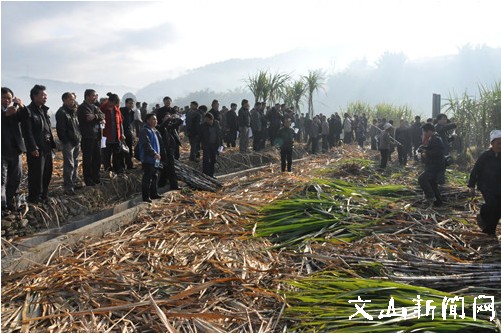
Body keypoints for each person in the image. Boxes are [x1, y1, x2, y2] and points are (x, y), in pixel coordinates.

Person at [19, 84, 56, 203]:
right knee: (36, 174)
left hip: (47, 147)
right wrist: (32, 147)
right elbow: (27, 132)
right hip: (36, 148)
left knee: (47, 172)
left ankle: (44, 195)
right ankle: (35, 197)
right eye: (43, 95)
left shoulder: (44, 110)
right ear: (34, 96)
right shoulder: (28, 111)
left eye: (46, 95)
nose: (45, 97)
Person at [467, 130, 501, 236]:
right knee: (494, 206)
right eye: (498, 143)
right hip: (486, 186)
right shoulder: (485, 156)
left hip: (499, 186)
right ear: (492, 143)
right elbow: (475, 170)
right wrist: (471, 186)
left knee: (498, 208)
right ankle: (489, 230)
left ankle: (489, 228)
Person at [1, 87, 26, 211]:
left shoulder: (14, 110)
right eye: (4, 98)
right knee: (2, 179)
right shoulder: (7, 112)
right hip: (2, 151)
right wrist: (6, 114)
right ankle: (2, 205)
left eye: (9, 98)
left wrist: (21, 105)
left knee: (16, 177)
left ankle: (11, 203)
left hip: (15, 150)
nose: (6, 100)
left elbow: (27, 116)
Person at [77, 89, 105, 186]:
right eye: (93, 95)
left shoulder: (95, 107)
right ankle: (88, 179)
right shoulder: (82, 108)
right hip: (87, 136)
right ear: (87, 96)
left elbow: (102, 115)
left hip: (97, 136)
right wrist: (98, 118)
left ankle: (96, 177)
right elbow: (87, 118)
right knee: (88, 159)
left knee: (97, 158)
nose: (95, 97)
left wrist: (96, 116)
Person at [56, 92, 82, 195]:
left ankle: (74, 182)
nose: (73, 101)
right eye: (71, 99)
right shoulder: (61, 112)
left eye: (74, 99)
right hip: (68, 143)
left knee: (75, 163)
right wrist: (66, 141)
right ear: (65, 100)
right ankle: (68, 186)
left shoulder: (74, 111)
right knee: (69, 164)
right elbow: (60, 130)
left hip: (76, 141)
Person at [418, 123, 445, 206]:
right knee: (432, 183)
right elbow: (432, 148)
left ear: (429, 131)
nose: (424, 134)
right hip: (435, 165)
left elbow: (438, 152)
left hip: (435, 166)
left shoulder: (436, 139)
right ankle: (438, 202)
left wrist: (426, 153)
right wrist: (422, 148)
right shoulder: (433, 138)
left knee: (422, 179)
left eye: (424, 132)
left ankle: (430, 197)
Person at [155, 104, 182, 190]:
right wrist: (168, 119)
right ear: (162, 119)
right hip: (164, 151)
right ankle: (174, 186)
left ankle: (161, 184)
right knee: (171, 168)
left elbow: (178, 123)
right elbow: (163, 125)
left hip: (170, 150)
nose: (169, 118)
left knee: (166, 168)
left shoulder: (170, 127)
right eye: (166, 117)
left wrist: (178, 118)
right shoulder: (160, 127)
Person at [139, 113, 164, 203]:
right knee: (147, 178)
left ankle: (154, 193)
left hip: (156, 158)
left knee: (155, 176)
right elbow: (147, 145)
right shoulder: (145, 131)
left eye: (156, 119)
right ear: (148, 120)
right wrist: (153, 154)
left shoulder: (154, 130)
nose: (155, 121)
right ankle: (146, 197)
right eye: (153, 119)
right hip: (149, 158)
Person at [102, 93, 125, 174]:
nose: (115, 105)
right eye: (114, 103)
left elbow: (120, 122)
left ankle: (117, 168)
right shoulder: (102, 109)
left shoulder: (116, 109)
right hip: (105, 136)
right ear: (110, 101)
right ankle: (108, 169)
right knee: (106, 154)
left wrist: (122, 133)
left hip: (116, 136)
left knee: (117, 154)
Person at [200, 112, 223, 178]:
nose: (207, 121)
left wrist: (221, 144)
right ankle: (205, 174)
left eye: (208, 120)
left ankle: (211, 174)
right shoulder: (203, 126)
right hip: (206, 145)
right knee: (206, 160)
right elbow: (201, 136)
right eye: (206, 120)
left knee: (213, 160)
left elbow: (219, 134)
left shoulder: (216, 123)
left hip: (215, 145)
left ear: (212, 119)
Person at [120, 98, 136, 169]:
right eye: (130, 103)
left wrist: (132, 132)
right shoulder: (121, 110)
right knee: (122, 150)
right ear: (126, 104)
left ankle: (129, 165)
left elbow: (131, 123)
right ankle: (122, 166)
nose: (131, 104)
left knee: (129, 149)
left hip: (128, 133)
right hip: (121, 133)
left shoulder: (132, 113)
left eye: (132, 103)